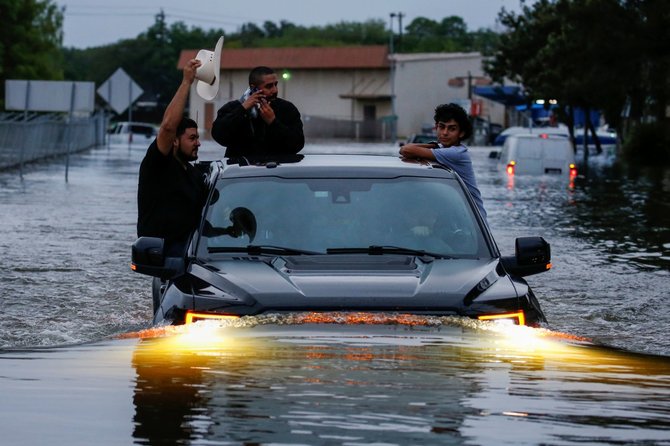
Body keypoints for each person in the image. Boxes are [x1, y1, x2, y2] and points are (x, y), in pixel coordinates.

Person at [137, 58, 208, 256]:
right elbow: (168, 127)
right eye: (192, 138)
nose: (198, 143)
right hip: (164, 255)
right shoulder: (158, 164)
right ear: (175, 141)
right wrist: (186, 82)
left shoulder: (194, 175)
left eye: (198, 138)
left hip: (194, 253)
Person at [399, 103, 488, 223]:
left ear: (461, 133)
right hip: (457, 216)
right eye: (442, 127)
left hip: (474, 221)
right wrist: (435, 145)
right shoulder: (443, 149)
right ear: (436, 127)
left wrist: (433, 146)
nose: (445, 133)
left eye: (452, 129)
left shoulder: (457, 153)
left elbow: (405, 150)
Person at [211, 66, 304, 157]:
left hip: (277, 169)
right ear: (254, 88)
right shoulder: (233, 108)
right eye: (269, 86)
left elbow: (297, 144)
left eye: (275, 84)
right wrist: (242, 110)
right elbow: (219, 135)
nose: (275, 90)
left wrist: (273, 122)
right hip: (241, 170)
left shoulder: (287, 108)